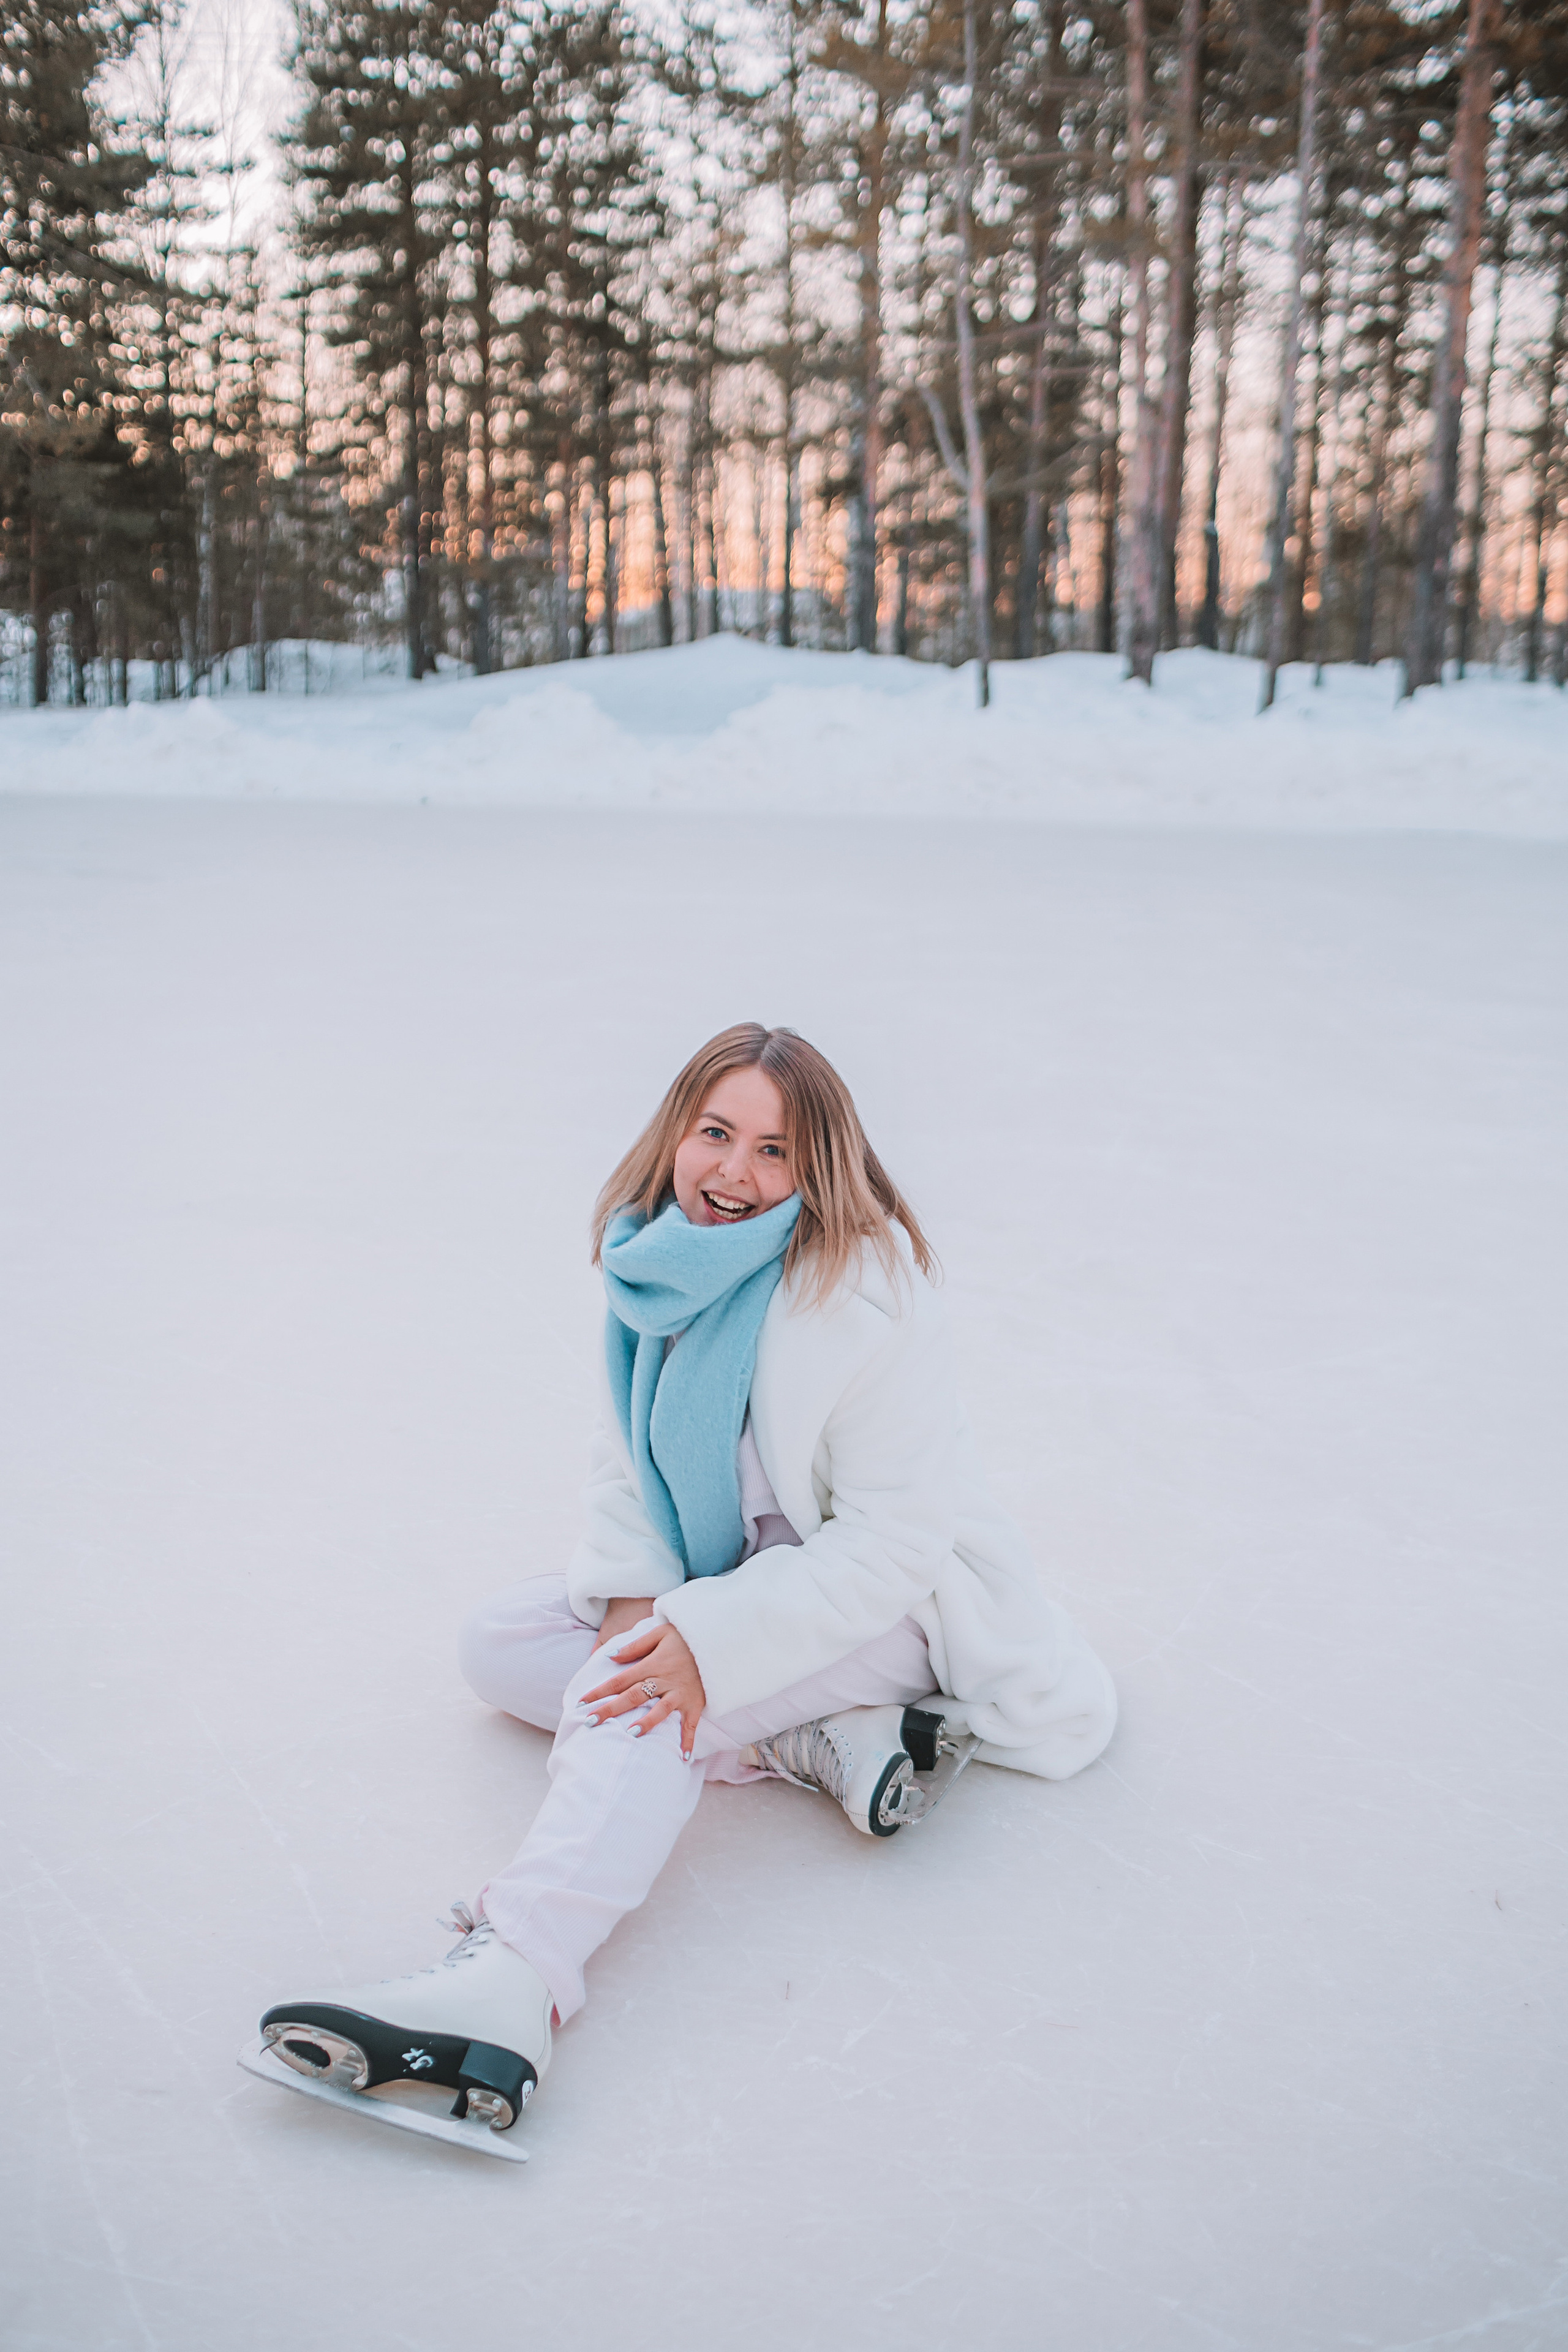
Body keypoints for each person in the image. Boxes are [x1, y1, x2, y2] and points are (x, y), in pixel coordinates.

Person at [246, 1025, 1117, 2155]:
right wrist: (637, 1602)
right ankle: (815, 1738)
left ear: (816, 1171)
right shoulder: (658, 1265)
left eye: (773, 1151)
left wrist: (698, 1642)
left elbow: (898, 1541)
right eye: (716, 1134)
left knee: (641, 1702)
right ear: (676, 1131)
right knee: (502, 1646)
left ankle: (514, 1981)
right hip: (748, 1580)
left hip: (893, 1608)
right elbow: (627, 1460)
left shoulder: (865, 1295)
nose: (734, 1174)